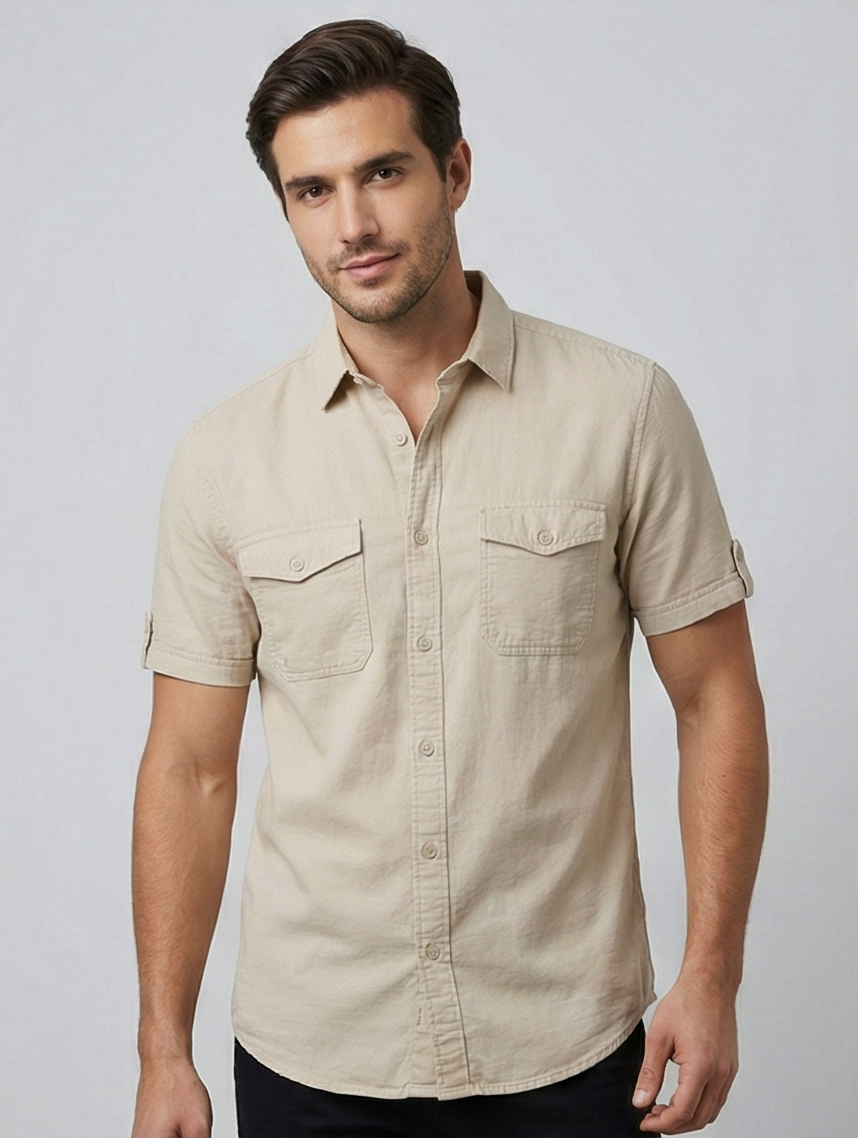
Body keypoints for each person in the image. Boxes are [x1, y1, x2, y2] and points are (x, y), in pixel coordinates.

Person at [130, 19, 768, 1138]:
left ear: (455, 170)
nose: (354, 224)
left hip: (568, 1045)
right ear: (286, 207)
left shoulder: (621, 411)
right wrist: (162, 1050)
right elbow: (190, 769)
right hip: (313, 1051)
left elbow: (715, 697)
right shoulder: (224, 459)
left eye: (383, 173)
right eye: (313, 191)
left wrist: (712, 975)